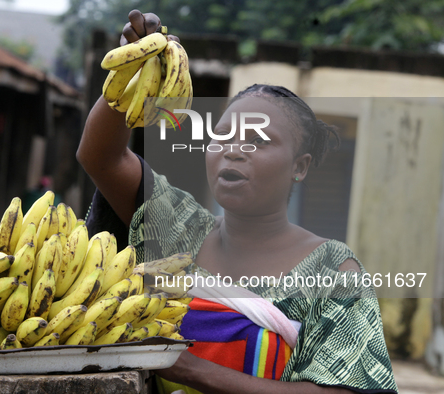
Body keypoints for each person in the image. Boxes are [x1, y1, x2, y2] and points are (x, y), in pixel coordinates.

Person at [78, 10, 398, 394]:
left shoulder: (334, 270)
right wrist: (132, 72)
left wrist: (189, 369)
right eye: (223, 135)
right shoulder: (179, 227)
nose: (234, 150)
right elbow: (101, 157)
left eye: (259, 141)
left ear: (299, 167)